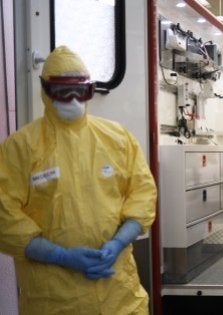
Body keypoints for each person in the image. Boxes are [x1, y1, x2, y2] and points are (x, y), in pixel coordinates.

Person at [0, 46, 157, 314]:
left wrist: (119, 241)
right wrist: (59, 255)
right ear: (45, 90)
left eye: (80, 91)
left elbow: (143, 194)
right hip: (54, 298)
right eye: (62, 91)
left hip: (118, 292)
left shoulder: (116, 137)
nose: (73, 100)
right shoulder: (22, 147)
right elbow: (4, 215)